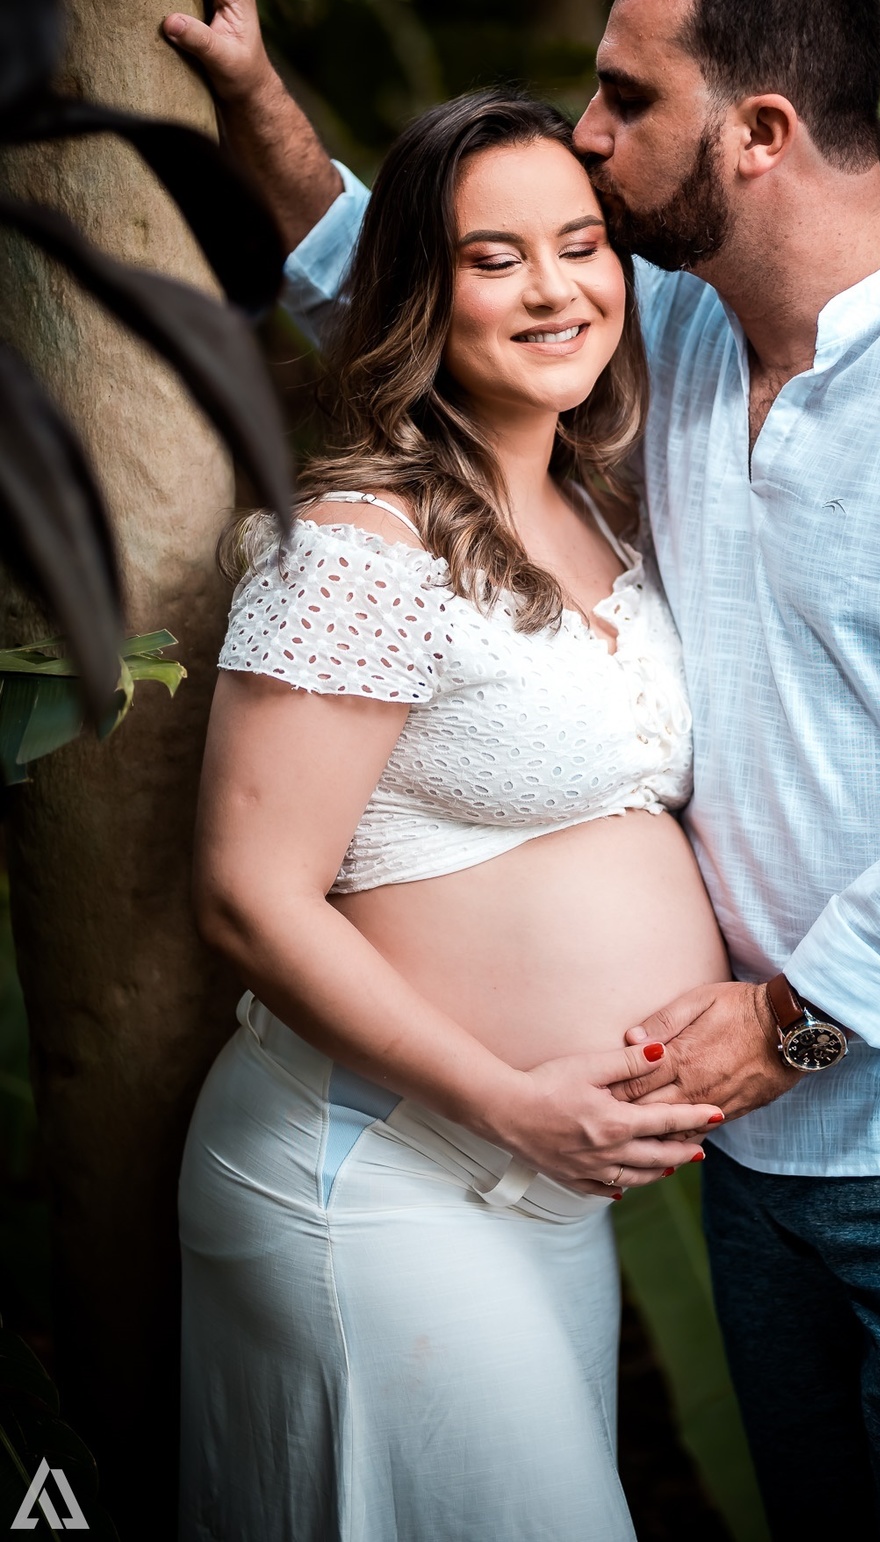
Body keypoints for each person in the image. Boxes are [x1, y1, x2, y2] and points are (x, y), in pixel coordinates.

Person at [167, 0, 880, 1539]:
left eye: (627, 97)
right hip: (753, 1148)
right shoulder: (684, 336)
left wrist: (785, 1022)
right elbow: (428, 293)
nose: (589, 128)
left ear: (759, 130)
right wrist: (262, 109)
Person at [179, 88, 729, 1542]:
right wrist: (509, 1101)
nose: (557, 288)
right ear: (421, 291)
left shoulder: (598, 508)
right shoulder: (361, 544)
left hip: (545, 1191)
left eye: (584, 242)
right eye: (496, 259)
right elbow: (248, 893)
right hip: (384, 1168)